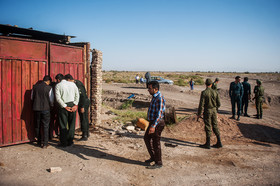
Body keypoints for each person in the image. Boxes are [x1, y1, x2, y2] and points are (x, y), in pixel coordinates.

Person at [144, 81, 166, 169]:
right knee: (146, 138)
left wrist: (153, 126)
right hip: (153, 122)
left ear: (155, 89)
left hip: (157, 123)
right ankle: (153, 157)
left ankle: (159, 163)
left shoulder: (159, 98)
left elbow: (159, 114)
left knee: (156, 143)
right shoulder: (154, 97)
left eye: (150, 88)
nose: (148, 90)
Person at [55, 74, 79, 147]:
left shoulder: (58, 86)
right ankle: (70, 141)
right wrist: (75, 105)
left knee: (63, 124)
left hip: (63, 106)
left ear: (58, 80)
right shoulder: (73, 84)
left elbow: (58, 98)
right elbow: (77, 95)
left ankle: (63, 142)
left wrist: (65, 106)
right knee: (72, 124)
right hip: (72, 104)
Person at [197, 78, 222, 149]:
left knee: (208, 126)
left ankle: (208, 144)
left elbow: (201, 104)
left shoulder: (204, 92)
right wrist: (215, 108)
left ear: (205, 84)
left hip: (207, 111)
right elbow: (219, 104)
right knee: (215, 125)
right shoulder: (215, 92)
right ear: (211, 84)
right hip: (214, 110)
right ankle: (219, 142)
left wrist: (199, 114)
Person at [65, 74, 90, 141]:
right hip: (82, 102)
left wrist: (82, 106)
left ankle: (84, 135)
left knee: (83, 118)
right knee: (84, 118)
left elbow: (82, 96)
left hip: (83, 102)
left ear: (69, 80)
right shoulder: (76, 83)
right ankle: (87, 133)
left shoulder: (77, 84)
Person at [31, 75, 54, 149]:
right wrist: (52, 106)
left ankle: (38, 141)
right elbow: (51, 99)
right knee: (45, 126)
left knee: (37, 125)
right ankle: (45, 143)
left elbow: (31, 97)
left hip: (36, 109)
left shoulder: (35, 87)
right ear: (48, 81)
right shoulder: (49, 88)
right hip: (46, 109)